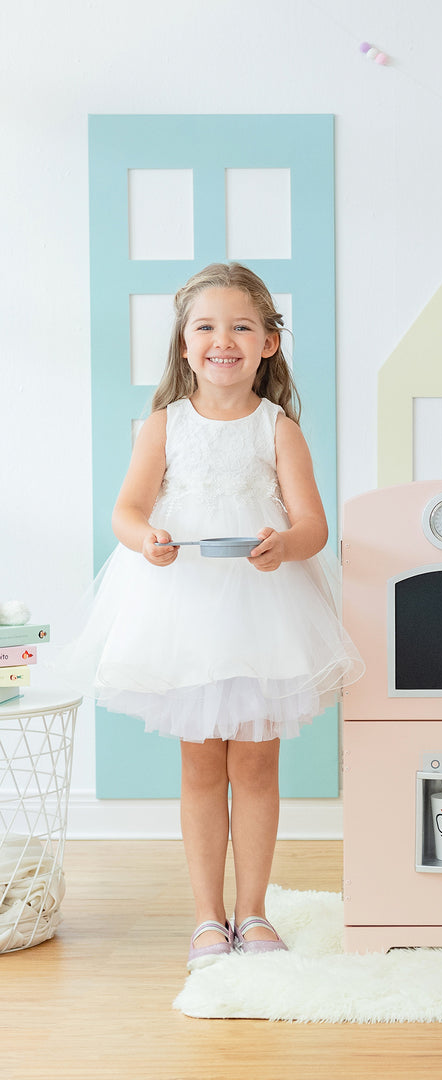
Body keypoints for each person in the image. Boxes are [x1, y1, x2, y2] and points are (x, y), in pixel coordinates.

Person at [69, 263, 363, 969]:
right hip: (184, 614)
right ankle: (207, 919)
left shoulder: (278, 429)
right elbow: (127, 510)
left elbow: (313, 527)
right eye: (205, 326)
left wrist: (284, 545)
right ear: (182, 343)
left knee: (258, 766)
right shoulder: (163, 426)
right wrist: (147, 539)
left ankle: (253, 912)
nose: (221, 340)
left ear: (268, 344)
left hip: (264, 612)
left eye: (240, 326)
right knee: (200, 766)